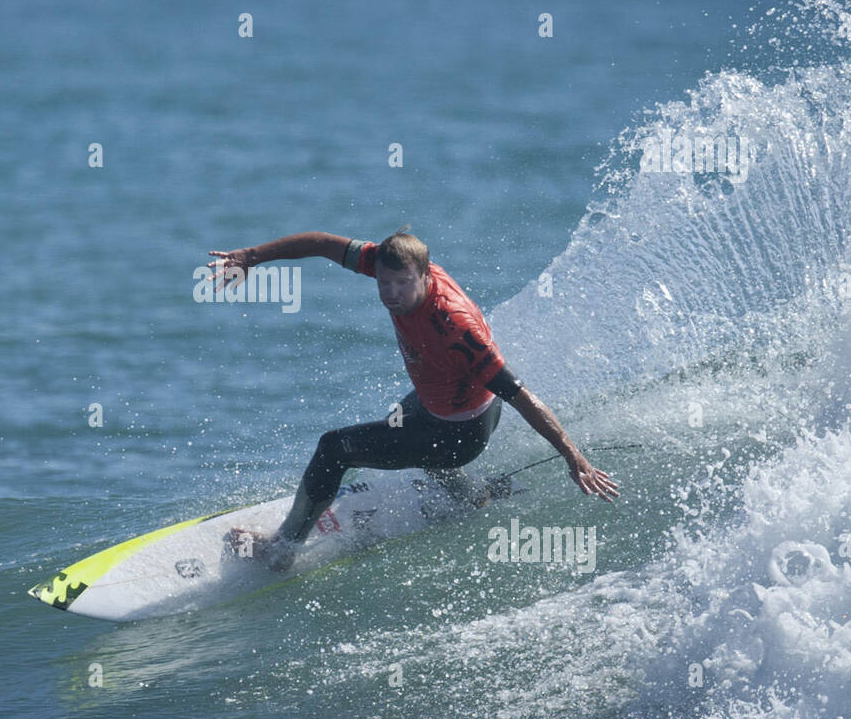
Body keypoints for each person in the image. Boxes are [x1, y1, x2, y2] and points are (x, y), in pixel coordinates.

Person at [207, 228, 619, 571]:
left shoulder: (454, 326)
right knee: (400, 422)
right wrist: (250, 256)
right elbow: (321, 244)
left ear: (425, 274)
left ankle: (282, 550)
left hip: (460, 432)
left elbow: (519, 394)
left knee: (334, 449)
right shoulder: (392, 261)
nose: (390, 293)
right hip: (439, 404)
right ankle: (471, 494)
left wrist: (572, 456)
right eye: (384, 283)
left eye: (402, 284)